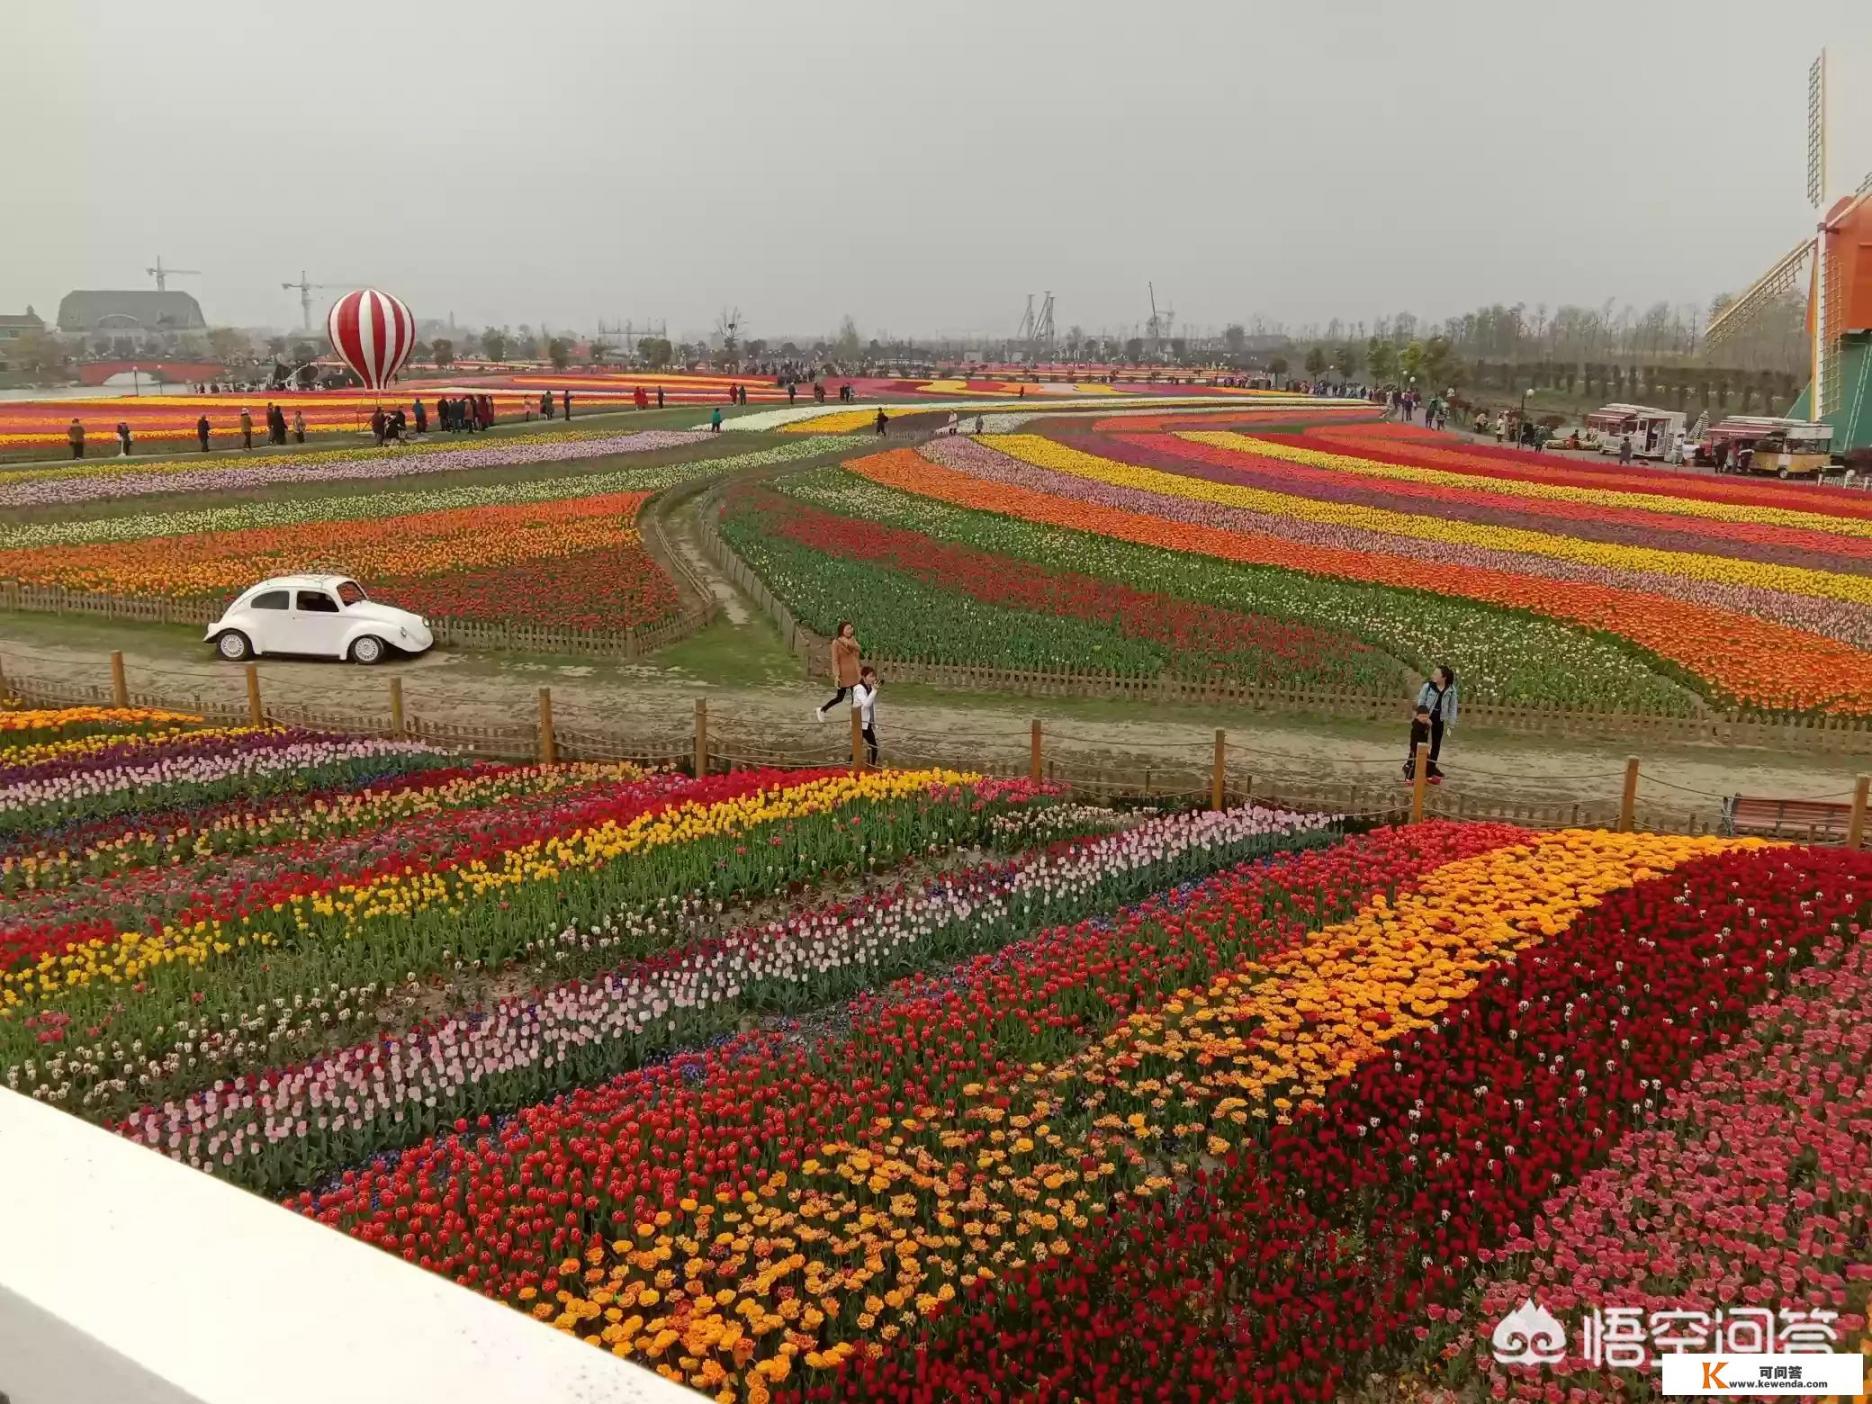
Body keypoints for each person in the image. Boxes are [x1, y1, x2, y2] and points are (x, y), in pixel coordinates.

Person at [1414, 665, 1458, 783]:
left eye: (1436, 674)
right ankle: (1415, 767)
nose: (1433, 675)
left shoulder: (1451, 690)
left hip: (1440, 719)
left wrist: (1451, 724)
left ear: (1443, 677)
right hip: (1426, 717)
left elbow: (1453, 707)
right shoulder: (1428, 687)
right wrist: (1423, 717)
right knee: (1420, 743)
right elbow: (1421, 702)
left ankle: (1430, 770)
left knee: (1436, 745)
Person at [815, 621, 861, 720]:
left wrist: (850, 644)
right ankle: (822, 709)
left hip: (854, 672)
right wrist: (836, 675)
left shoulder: (852, 640)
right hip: (843, 674)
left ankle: (855, 719)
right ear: (842, 630)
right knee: (839, 698)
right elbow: (835, 660)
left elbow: (859, 649)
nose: (850, 630)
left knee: (856, 697)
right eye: (848, 629)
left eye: (851, 628)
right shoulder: (836, 642)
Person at [851, 666, 881, 767]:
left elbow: (871, 706)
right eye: (871, 676)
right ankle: (871, 766)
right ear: (864, 677)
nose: (873, 679)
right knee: (873, 746)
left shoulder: (868, 687)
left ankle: (850, 762)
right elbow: (866, 704)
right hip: (860, 723)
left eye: (874, 676)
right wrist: (874, 691)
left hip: (865, 722)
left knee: (858, 746)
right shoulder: (859, 689)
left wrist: (873, 722)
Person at [1402, 703, 1433, 784]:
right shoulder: (1416, 725)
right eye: (1422, 716)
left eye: (1426, 716)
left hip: (1423, 747)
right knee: (1414, 763)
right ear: (1417, 716)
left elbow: (1427, 736)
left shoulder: (1426, 725)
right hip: (1415, 748)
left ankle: (1428, 776)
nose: (1424, 718)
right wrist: (1428, 726)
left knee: (1428, 760)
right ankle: (1408, 778)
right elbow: (1421, 729)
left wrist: (1428, 726)